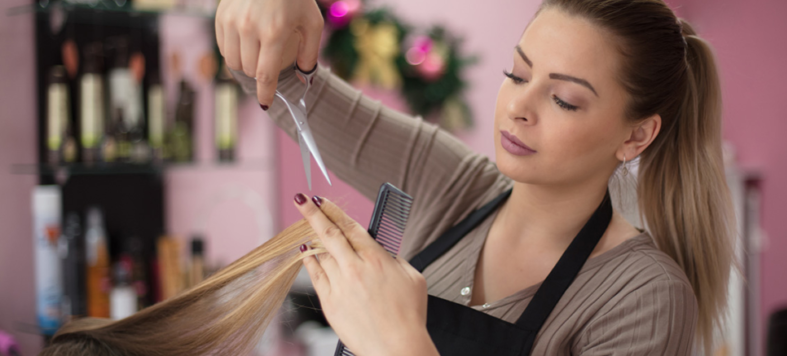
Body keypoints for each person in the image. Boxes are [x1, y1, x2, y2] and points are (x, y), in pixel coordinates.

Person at [221, 0, 734, 354]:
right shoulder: (453, 185)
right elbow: (271, 77)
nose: (518, 108)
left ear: (636, 136)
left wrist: (398, 344)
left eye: (563, 100)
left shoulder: (645, 298)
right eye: (517, 74)